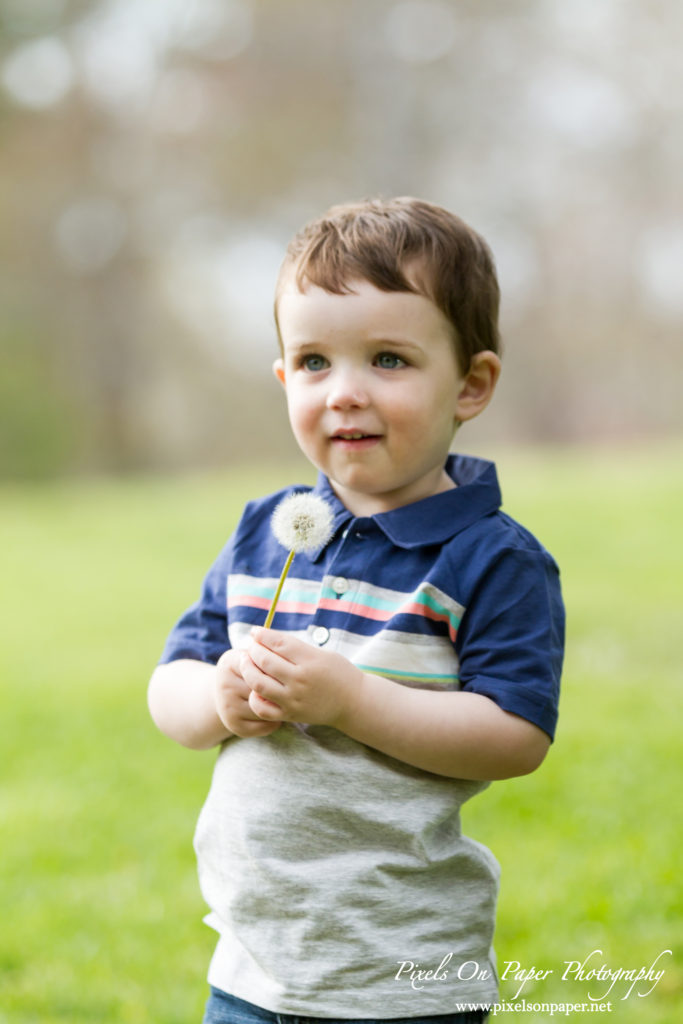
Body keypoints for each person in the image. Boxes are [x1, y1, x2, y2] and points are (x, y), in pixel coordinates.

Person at [148, 197, 565, 1024]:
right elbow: (172, 686)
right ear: (282, 379)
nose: (342, 393)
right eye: (312, 362)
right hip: (253, 961)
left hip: (400, 968)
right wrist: (217, 700)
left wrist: (351, 700)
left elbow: (516, 737)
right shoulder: (266, 532)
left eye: (386, 359)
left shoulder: (490, 559)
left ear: (470, 384)